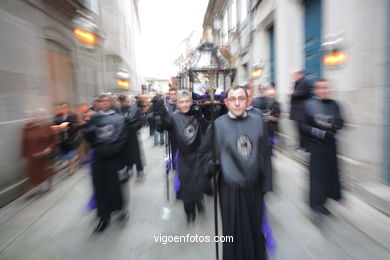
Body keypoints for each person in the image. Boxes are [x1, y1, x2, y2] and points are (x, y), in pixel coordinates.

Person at [212, 86, 271, 260]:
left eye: (241, 98)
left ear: (247, 100)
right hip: (230, 187)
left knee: (255, 227)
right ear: (226, 102)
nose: (237, 103)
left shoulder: (259, 122)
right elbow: (208, 154)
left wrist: (267, 184)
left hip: (254, 186)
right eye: (232, 99)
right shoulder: (218, 125)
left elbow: (265, 155)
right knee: (233, 231)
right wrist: (210, 165)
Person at [159, 89, 209, 223]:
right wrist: (162, 115)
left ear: (191, 102)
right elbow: (164, 126)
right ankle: (189, 210)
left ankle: (199, 201)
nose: (185, 105)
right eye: (182, 102)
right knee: (186, 184)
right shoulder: (174, 116)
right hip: (184, 156)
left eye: (187, 101)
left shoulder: (196, 114)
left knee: (198, 183)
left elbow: (207, 130)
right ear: (177, 103)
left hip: (198, 155)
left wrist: (201, 117)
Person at [83, 94, 128, 233]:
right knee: (99, 188)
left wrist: (111, 151)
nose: (102, 103)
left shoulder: (119, 118)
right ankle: (103, 217)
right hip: (98, 158)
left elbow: (121, 138)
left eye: (105, 101)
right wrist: (88, 128)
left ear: (111, 102)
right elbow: (89, 136)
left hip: (113, 158)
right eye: (99, 101)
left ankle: (121, 210)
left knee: (115, 187)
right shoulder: (94, 118)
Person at [301, 79, 344, 216]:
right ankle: (315, 203)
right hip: (316, 146)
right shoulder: (308, 104)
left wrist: (335, 125)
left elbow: (340, 122)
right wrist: (319, 132)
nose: (324, 90)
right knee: (317, 176)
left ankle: (325, 201)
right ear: (316, 90)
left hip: (330, 146)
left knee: (329, 175)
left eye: (326, 87)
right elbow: (303, 126)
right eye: (321, 87)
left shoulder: (335, 105)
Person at [22, 109, 57, 198]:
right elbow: (24, 141)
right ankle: (33, 189)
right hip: (32, 154)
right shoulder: (28, 126)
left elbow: (54, 139)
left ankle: (50, 186)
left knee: (47, 170)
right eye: (37, 115)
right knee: (32, 172)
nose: (39, 116)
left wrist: (49, 148)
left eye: (41, 114)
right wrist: (25, 153)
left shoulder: (48, 126)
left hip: (45, 153)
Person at [118, 95, 145, 182]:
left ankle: (139, 170)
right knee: (126, 153)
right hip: (123, 136)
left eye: (125, 102)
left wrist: (132, 126)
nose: (123, 103)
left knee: (135, 153)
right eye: (122, 102)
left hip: (132, 135)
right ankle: (129, 169)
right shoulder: (118, 110)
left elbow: (140, 121)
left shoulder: (134, 108)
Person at [53, 102, 80, 175]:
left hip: (70, 137)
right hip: (62, 138)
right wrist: (58, 129)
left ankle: (72, 168)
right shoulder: (57, 116)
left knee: (70, 153)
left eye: (65, 107)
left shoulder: (72, 115)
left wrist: (68, 128)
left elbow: (77, 125)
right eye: (61, 108)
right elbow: (54, 125)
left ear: (67, 108)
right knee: (66, 153)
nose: (63, 109)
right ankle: (70, 166)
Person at [288, 70, 311, 150]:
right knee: (298, 129)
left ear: (299, 74)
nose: (293, 77)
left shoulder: (304, 82)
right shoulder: (298, 82)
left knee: (303, 129)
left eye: (294, 75)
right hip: (297, 111)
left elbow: (302, 92)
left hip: (301, 111)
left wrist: (292, 93)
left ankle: (305, 146)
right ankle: (301, 145)